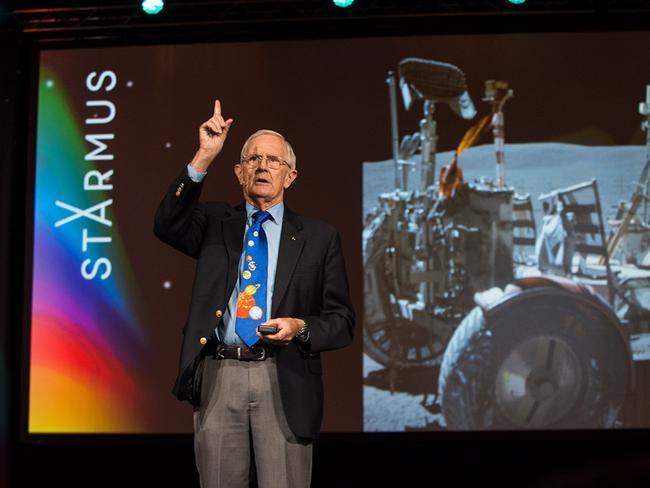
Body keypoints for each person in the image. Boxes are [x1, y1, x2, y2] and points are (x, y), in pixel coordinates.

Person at [154, 100, 355, 488]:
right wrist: (204, 155)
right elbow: (166, 224)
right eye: (253, 159)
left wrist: (299, 327)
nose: (263, 166)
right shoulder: (215, 223)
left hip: (283, 376)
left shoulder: (319, 237)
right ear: (239, 171)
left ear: (290, 176)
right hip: (219, 374)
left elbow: (342, 321)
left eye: (274, 161)